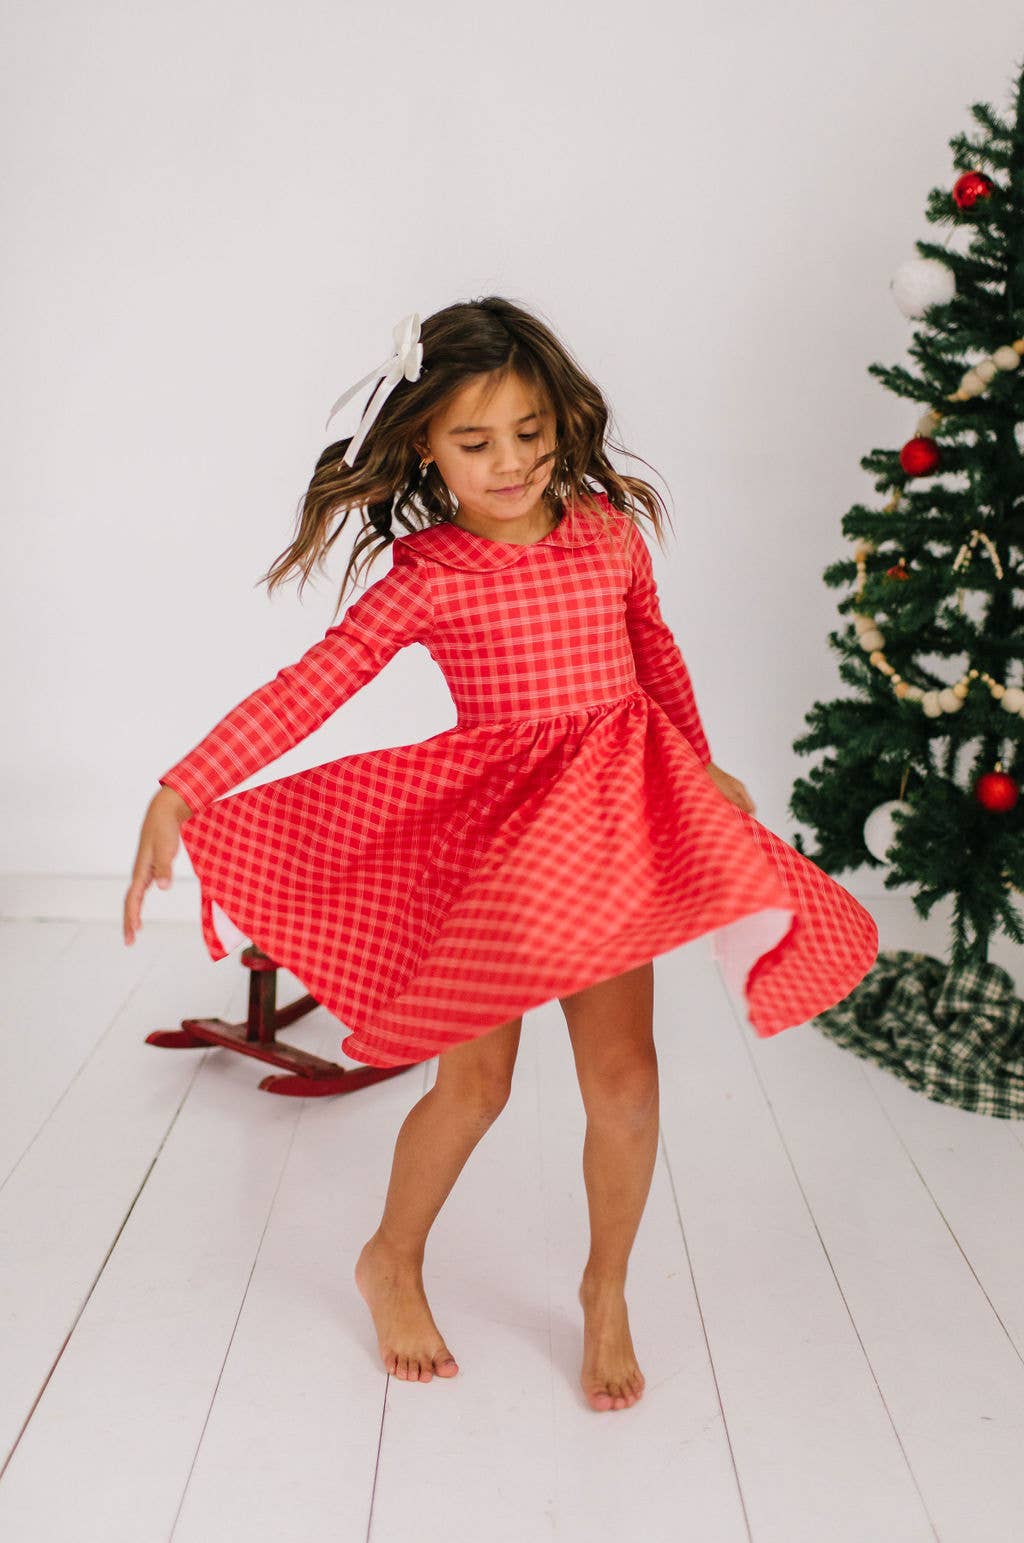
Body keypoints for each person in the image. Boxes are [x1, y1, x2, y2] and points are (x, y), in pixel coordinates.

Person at [123, 297, 878, 1413]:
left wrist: (697, 768)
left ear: (561, 421)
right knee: (475, 1086)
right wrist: (184, 782)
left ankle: (606, 1288)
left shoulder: (608, 537)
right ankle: (392, 1255)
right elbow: (311, 687)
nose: (511, 461)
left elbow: (653, 660)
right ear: (424, 444)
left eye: (530, 432)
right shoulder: (431, 575)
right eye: (476, 443)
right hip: (501, 854)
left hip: (611, 839)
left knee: (624, 1082)